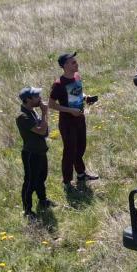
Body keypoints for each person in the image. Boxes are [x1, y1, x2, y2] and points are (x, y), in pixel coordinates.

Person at [48, 52, 99, 190]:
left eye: (76, 62)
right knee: (70, 150)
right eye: (73, 62)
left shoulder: (77, 76)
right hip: (67, 122)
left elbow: (77, 92)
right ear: (64, 66)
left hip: (80, 119)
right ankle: (67, 181)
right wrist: (70, 110)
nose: (76, 64)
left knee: (81, 147)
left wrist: (86, 97)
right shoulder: (58, 84)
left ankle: (81, 174)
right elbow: (51, 104)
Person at [16, 87, 55, 218]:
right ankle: (27, 210)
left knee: (41, 178)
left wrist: (43, 116)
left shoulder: (33, 112)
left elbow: (45, 131)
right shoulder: (23, 116)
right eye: (36, 96)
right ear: (28, 100)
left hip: (40, 151)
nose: (40, 98)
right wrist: (44, 113)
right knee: (30, 182)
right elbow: (42, 131)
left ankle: (43, 201)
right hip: (31, 154)